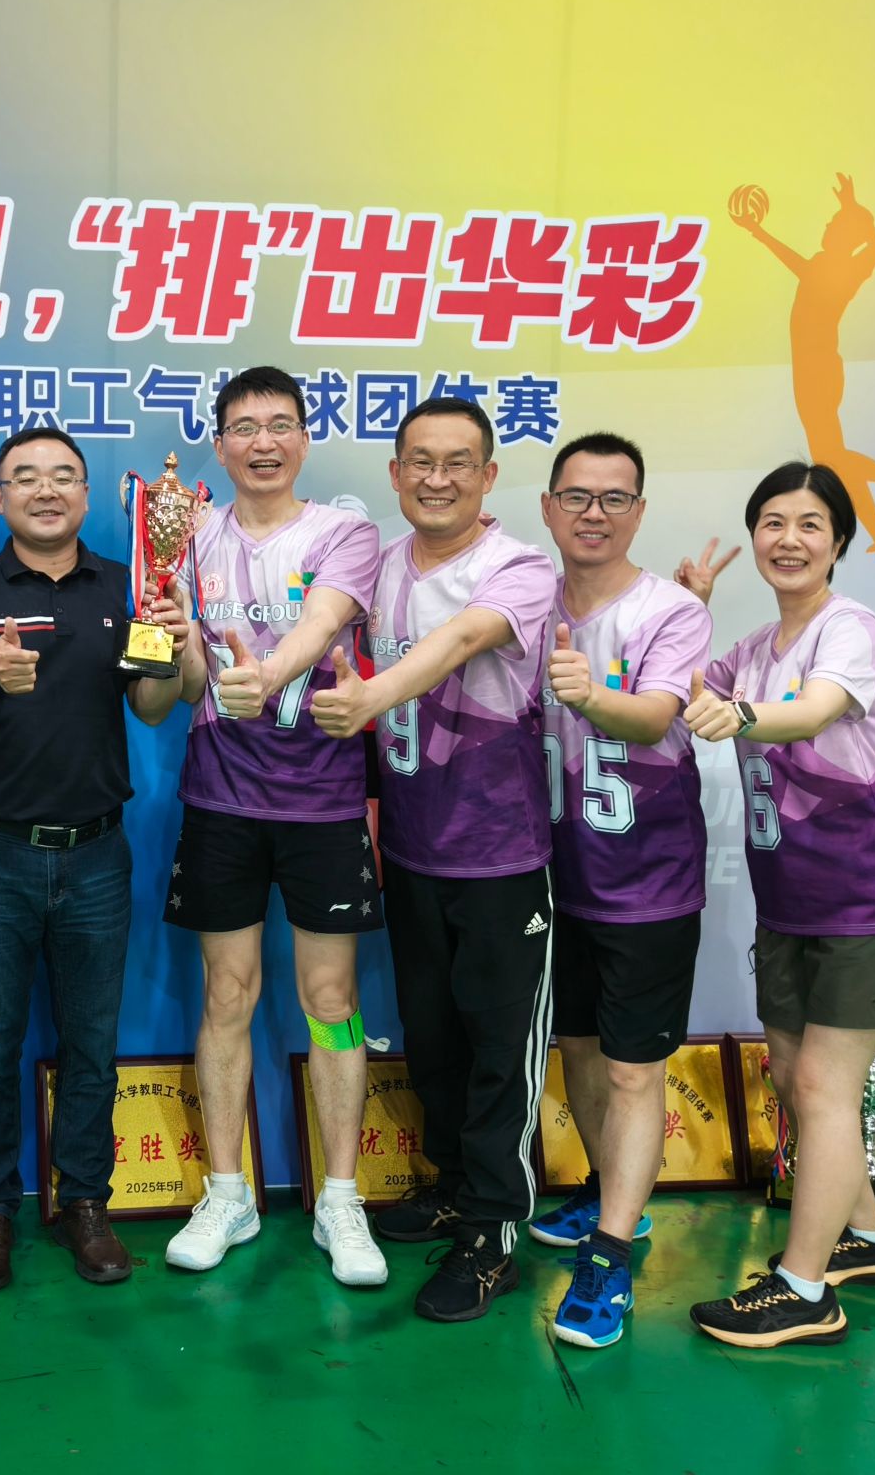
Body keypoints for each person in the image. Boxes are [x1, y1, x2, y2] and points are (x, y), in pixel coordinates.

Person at [684, 460, 875, 1348]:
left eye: (809, 524)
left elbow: (813, 711)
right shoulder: (755, 646)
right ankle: (868, 1242)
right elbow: (688, 688)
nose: (788, 539)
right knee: (798, 1081)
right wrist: (691, 608)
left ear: (838, 542)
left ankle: (804, 1293)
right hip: (789, 898)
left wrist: (740, 717)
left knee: (823, 1087)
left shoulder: (851, 630)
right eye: (772, 522)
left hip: (862, 895)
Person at [0, 426, 188, 1290]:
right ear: (1, 497)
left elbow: (152, 709)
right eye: (26, 477)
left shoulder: (125, 584)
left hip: (96, 855)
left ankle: (86, 1204)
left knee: (91, 1045)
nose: (46, 490)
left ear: (85, 495)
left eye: (64, 477)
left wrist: (170, 645)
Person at [310, 397, 557, 1323]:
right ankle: (454, 1187)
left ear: (488, 476)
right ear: (395, 472)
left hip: (500, 858)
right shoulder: (376, 563)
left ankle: (494, 1233)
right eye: (420, 461)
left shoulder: (518, 567)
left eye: (458, 462)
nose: (437, 479)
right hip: (411, 851)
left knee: (499, 1054)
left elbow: (459, 641)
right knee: (433, 1040)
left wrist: (371, 698)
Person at [156, 366, 385, 1285]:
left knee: (332, 1005)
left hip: (323, 802)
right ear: (219, 445)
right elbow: (179, 689)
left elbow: (323, 621)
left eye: (280, 424)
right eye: (245, 427)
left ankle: (341, 1197)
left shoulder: (343, 532)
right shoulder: (186, 536)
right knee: (227, 995)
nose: (263, 442)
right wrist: (171, 651)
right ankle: (228, 1191)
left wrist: (266, 675)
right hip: (220, 798)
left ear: (303, 438)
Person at [526, 432, 713, 1350]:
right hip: (554, 877)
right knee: (581, 1051)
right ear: (548, 507)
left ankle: (610, 1258)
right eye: (577, 496)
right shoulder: (527, 599)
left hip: (649, 883)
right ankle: (612, 1198)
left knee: (636, 1070)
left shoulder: (670, 611)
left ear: (638, 511)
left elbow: (654, 716)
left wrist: (588, 694)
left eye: (614, 498)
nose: (593, 513)